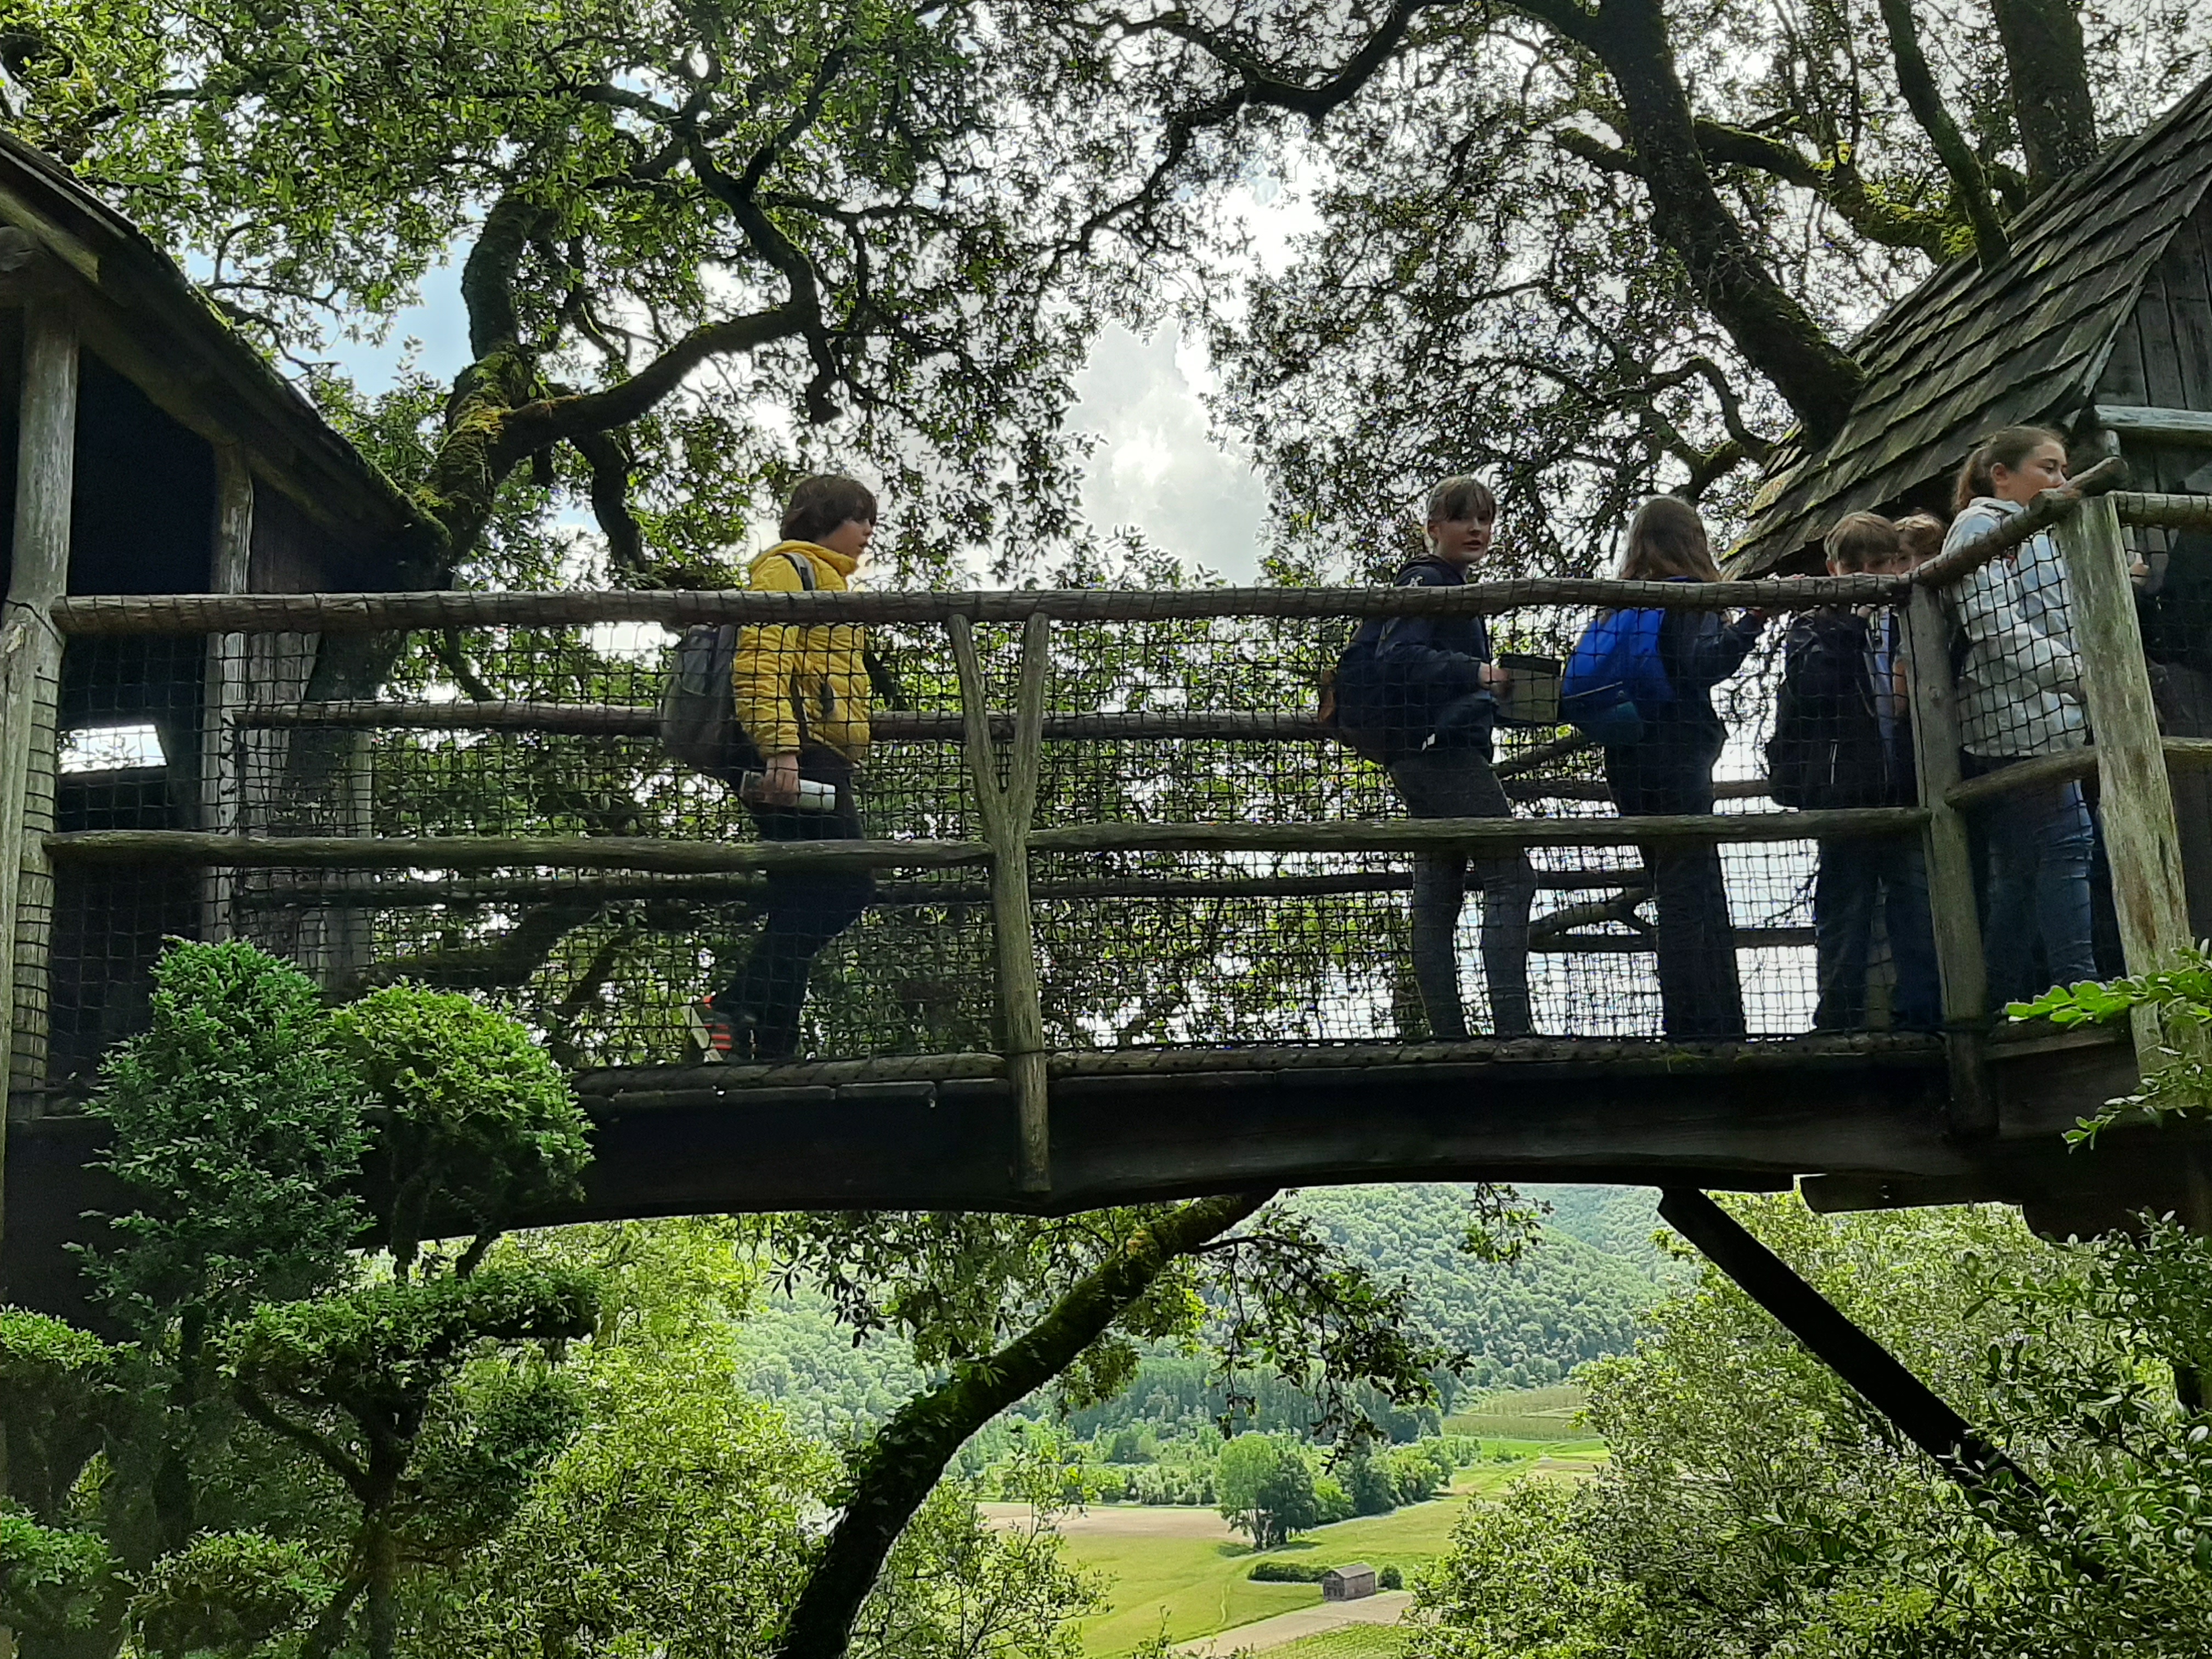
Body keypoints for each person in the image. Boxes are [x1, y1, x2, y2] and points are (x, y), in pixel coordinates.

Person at [1342, 476, 1537, 1039]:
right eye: (1462, 518)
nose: (1476, 529)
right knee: (1511, 876)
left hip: (1417, 754)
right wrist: (1479, 672)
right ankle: (1515, 1033)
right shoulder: (1428, 581)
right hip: (1441, 755)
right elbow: (1401, 658)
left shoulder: (1446, 586)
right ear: (1433, 528)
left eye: (1485, 519)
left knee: (1438, 891)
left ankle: (1449, 1039)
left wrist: (1500, 696)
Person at [696, 475, 879, 1060]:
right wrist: (780, 750)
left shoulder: (829, 581)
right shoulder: (787, 570)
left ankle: (770, 1046)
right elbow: (762, 664)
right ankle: (728, 1005)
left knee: (800, 896)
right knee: (848, 888)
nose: (868, 531)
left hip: (813, 754)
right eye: (859, 518)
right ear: (826, 518)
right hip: (796, 755)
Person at [1601, 496, 1765, 1038]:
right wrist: (1749, 625)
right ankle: (1696, 1026)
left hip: (1626, 759)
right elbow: (1702, 664)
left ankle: (1708, 1018)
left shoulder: (1617, 604)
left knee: (1674, 881)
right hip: (1677, 757)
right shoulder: (1686, 596)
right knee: (1686, 891)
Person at [1943, 427, 2096, 1005]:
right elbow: (1994, 625)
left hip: (2052, 717)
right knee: (2068, 845)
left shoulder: (2045, 531)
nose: (2060, 479)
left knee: (2022, 867)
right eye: (2047, 468)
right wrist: (2079, 676)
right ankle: (2079, 988)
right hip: (2014, 720)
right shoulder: (1979, 528)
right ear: (2001, 475)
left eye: (2063, 469)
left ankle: (2003, 998)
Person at [1771, 512, 1938, 1030]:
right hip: (1843, 793)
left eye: (1880, 564)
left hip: (1903, 786)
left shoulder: (1910, 616)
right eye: (1855, 567)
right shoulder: (1811, 625)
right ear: (1833, 569)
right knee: (1846, 909)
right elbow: (1813, 687)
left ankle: (1923, 1017)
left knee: (1917, 904)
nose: (1869, 576)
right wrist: (1851, 624)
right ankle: (1837, 1022)